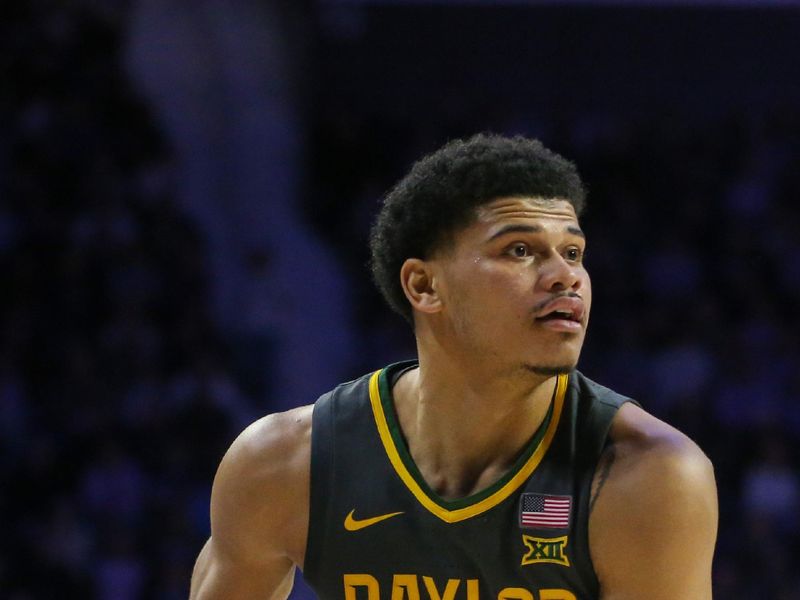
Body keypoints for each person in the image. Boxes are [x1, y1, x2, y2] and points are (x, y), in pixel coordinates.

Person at [190, 134, 718, 600]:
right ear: (424, 286)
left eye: (574, 252)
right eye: (519, 249)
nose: (565, 276)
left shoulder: (649, 476)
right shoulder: (285, 463)